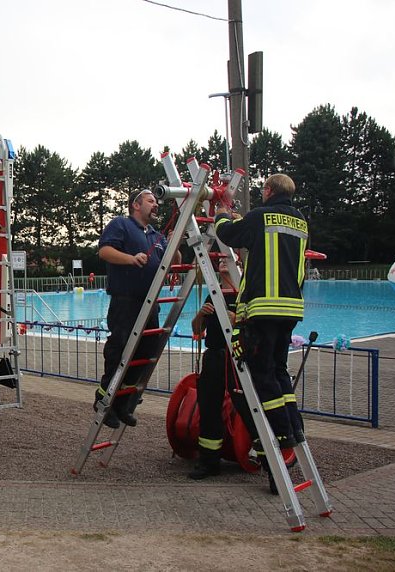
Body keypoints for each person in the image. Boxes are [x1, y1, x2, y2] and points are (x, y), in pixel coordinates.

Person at [214, 173, 308, 491]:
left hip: (264, 309)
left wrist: (222, 214)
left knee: (262, 377)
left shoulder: (261, 216)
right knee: (280, 374)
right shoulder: (300, 221)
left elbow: (228, 234)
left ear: (267, 191)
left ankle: (281, 438)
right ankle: (295, 429)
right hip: (291, 309)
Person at [95, 189, 181, 428]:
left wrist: (174, 244)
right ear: (136, 205)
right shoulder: (121, 224)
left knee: (146, 351)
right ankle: (104, 399)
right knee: (120, 349)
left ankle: (123, 402)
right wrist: (131, 259)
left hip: (149, 302)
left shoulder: (155, 234)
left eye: (156, 201)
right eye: (151, 201)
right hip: (126, 301)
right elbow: (104, 251)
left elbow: (173, 262)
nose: (156, 205)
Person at [187, 257, 256, 479]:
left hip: (236, 358)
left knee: (246, 407)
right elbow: (197, 330)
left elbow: (254, 330)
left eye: (231, 260)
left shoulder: (246, 295)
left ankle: (264, 455)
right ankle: (209, 462)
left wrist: (234, 317)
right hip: (214, 357)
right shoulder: (213, 295)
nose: (224, 261)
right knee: (208, 408)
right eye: (223, 260)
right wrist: (201, 315)